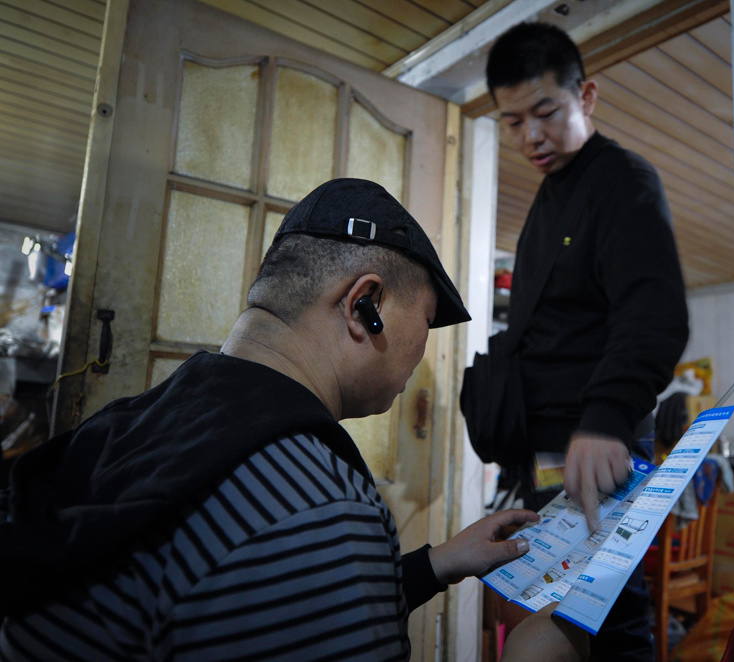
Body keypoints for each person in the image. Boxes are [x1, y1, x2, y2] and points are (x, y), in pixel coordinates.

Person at [0, 179, 586, 661]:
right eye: (426, 323)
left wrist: (432, 566)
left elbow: (231, 603)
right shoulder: (315, 505)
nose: (421, 354)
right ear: (367, 304)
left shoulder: (144, 420)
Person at [483, 23, 690, 661]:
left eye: (545, 112)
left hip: (597, 443)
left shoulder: (623, 181)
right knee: (560, 608)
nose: (531, 136)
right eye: (512, 122)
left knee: (605, 613)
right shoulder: (545, 204)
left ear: (587, 97)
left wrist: (603, 419)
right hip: (548, 450)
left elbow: (654, 315)